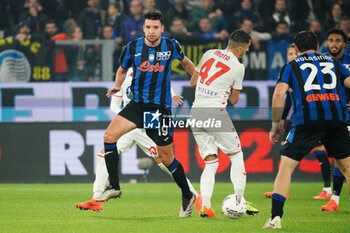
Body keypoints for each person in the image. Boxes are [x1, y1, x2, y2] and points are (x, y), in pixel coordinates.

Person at [96, 10, 197, 218]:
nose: (152, 31)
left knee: (166, 159)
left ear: (162, 29)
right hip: (137, 105)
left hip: (158, 109)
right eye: (148, 27)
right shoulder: (133, 47)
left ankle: (187, 195)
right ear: (144, 28)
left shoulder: (171, 46)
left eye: (156, 27)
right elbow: (122, 70)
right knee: (108, 137)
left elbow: (186, 62)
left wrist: (196, 77)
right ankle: (114, 186)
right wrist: (117, 85)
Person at [75, 69, 198, 211]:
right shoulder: (125, 79)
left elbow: (162, 82)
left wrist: (172, 94)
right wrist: (126, 118)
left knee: (164, 162)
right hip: (129, 128)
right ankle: (96, 199)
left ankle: (192, 193)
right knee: (102, 155)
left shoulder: (149, 72)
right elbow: (114, 105)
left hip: (145, 128)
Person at [263, 31, 350, 229]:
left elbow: (278, 94)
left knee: (286, 167)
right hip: (336, 118)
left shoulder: (292, 65)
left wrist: (276, 125)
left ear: (296, 48)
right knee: (347, 167)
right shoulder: (334, 63)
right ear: (318, 46)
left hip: (307, 120)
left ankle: (276, 217)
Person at [189, 29, 259, 217]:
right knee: (236, 155)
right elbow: (234, 100)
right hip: (215, 112)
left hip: (195, 112)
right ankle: (239, 200)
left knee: (210, 162)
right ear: (239, 49)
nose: (246, 52)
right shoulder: (238, 66)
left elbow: (193, 82)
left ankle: (206, 206)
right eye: (246, 49)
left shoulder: (209, 54)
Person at [264, 44, 333, 200]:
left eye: (294, 53)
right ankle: (282, 190)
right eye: (289, 53)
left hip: (313, 116)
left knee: (320, 150)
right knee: (285, 149)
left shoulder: (305, 71)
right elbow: (287, 97)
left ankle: (327, 189)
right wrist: (282, 118)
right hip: (297, 118)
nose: (291, 56)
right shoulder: (290, 70)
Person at [321, 28, 350, 212]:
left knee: (343, 157)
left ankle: (334, 199)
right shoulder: (321, 61)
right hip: (334, 115)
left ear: (344, 44)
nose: (334, 44)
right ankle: (335, 199)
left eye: (338, 40)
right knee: (342, 156)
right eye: (331, 40)